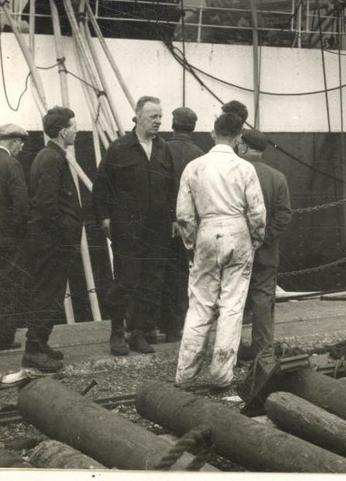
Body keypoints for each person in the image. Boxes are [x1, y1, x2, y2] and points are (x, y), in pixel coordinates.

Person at [174, 110, 266, 389]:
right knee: (232, 307)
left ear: (213, 133)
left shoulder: (194, 167)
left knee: (199, 306)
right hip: (238, 233)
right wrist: (255, 239)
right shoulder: (245, 168)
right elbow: (258, 214)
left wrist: (191, 244)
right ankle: (221, 375)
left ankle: (185, 374)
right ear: (239, 138)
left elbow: (184, 215)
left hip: (206, 233)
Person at [92, 96, 175, 355]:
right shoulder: (119, 148)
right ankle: (117, 333)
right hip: (127, 230)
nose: (158, 122)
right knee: (126, 282)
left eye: (161, 117)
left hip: (157, 230)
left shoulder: (163, 149)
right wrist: (104, 217)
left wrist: (174, 218)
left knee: (151, 282)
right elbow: (101, 186)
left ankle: (138, 332)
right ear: (137, 116)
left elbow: (172, 187)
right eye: (153, 117)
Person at [21, 107, 81, 373]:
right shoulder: (51, 158)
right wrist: (66, 231)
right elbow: (47, 205)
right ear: (63, 130)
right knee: (47, 293)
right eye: (73, 125)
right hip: (52, 242)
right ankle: (33, 350)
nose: (77, 130)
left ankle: (40, 344)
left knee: (50, 293)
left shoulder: (52, 155)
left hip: (53, 240)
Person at [239, 126, 292, 372]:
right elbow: (283, 215)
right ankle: (262, 351)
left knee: (233, 298)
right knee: (262, 298)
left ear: (244, 146)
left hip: (238, 248)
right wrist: (265, 238)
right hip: (267, 249)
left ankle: (234, 349)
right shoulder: (277, 177)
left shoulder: (235, 173)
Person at [158, 107, 204, 341]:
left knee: (158, 272)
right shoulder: (199, 154)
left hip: (160, 223)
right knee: (181, 275)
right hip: (188, 226)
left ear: (172, 124)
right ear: (193, 127)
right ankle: (175, 327)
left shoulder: (161, 148)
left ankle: (155, 324)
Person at [0, 123, 29, 351]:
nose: (22, 148)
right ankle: (4, 338)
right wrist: (21, 233)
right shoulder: (11, 164)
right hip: (7, 239)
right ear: (13, 142)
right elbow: (21, 205)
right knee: (6, 286)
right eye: (20, 143)